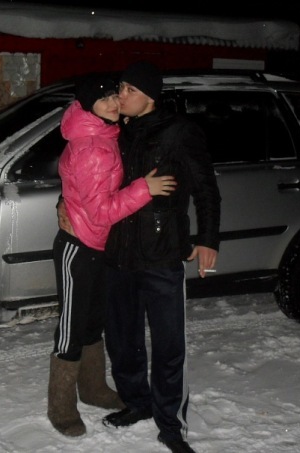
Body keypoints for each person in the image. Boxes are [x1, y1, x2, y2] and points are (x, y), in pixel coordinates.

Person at [48, 74, 177, 438]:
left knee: (93, 322)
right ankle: (60, 407)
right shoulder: (92, 147)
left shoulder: (104, 132)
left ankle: (92, 388)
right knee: (72, 327)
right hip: (79, 247)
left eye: (113, 95)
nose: (113, 102)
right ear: (87, 105)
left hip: (96, 245)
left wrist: (66, 199)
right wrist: (144, 189)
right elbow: (101, 211)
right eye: (103, 98)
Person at [102, 61, 220, 453]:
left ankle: (171, 424)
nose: (121, 95)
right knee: (122, 340)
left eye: (129, 90)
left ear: (150, 97)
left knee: (169, 346)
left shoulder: (179, 131)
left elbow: (205, 188)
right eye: (120, 87)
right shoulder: (115, 131)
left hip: (162, 255)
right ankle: (138, 402)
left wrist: (208, 239)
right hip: (118, 253)